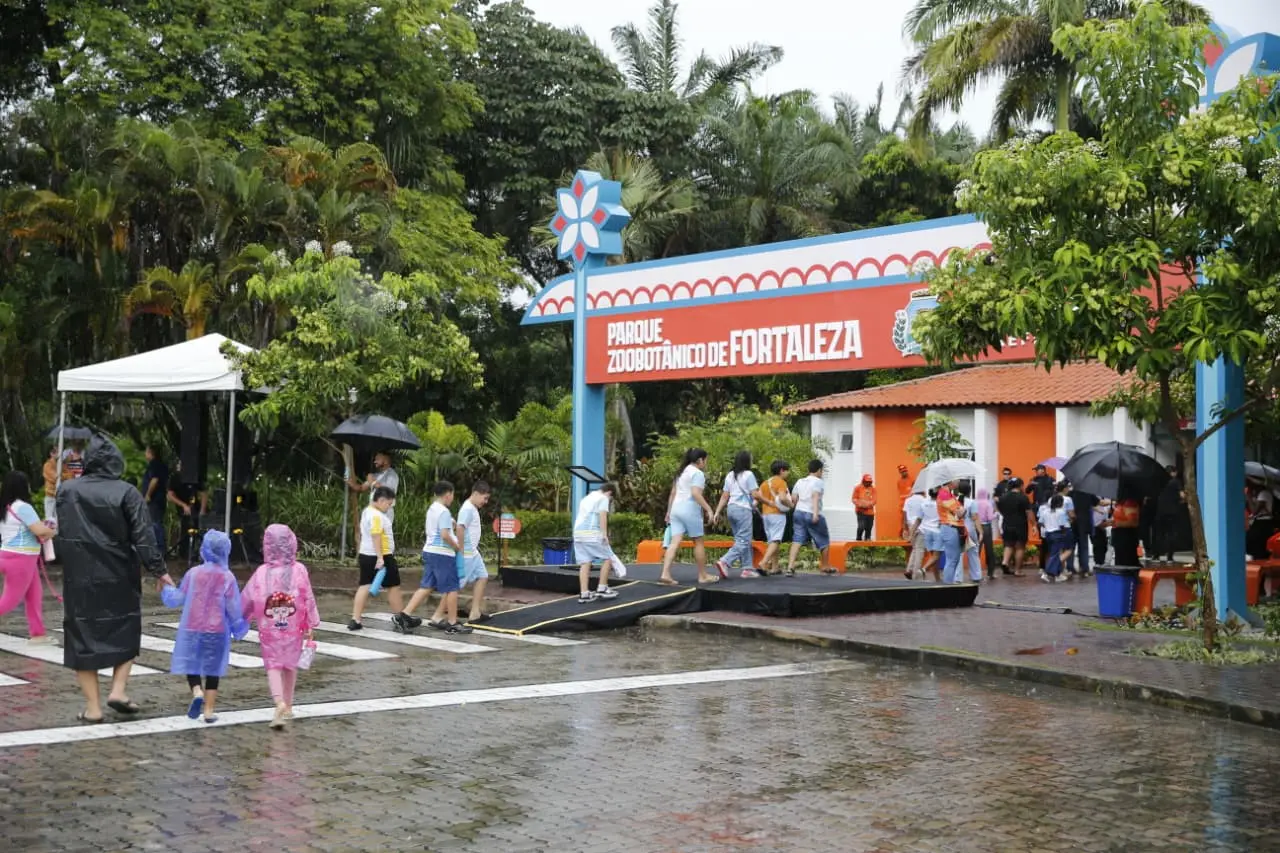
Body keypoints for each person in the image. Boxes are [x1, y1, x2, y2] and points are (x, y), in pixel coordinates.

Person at [57, 435, 172, 723]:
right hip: (119, 573)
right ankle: (118, 690)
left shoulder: (67, 491)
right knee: (127, 630)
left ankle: (93, 708)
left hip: (80, 577)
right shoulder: (127, 492)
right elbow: (144, 538)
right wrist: (160, 570)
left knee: (81, 637)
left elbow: (64, 534)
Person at [160, 530, 249, 724]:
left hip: (192, 627)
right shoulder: (228, 577)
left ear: (204, 549)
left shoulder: (194, 573)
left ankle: (196, 691)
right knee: (213, 669)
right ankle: (209, 711)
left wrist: (166, 590)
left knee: (192, 664)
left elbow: (179, 597)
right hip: (217, 629)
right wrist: (239, 626)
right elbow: (234, 607)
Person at [241, 524, 320, 730]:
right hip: (294, 627)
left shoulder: (261, 572)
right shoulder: (299, 570)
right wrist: (311, 621)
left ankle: (278, 702)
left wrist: (241, 616)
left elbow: (249, 597)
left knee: (273, 665)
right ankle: (289, 705)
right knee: (290, 665)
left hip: (269, 629)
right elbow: (308, 597)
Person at [403, 481, 472, 634]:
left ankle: (404, 614)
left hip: (430, 551)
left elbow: (442, 527)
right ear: (448, 494)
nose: (452, 498)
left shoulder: (433, 509)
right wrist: (457, 546)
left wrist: (451, 523)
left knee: (427, 586)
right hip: (442, 553)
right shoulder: (444, 512)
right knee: (452, 587)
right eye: (452, 495)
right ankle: (453, 623)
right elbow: (445, 535)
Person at [1, 471, 57, 642]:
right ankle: (37, 634)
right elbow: (39, 530)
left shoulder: (5, 507)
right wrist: (52, 530)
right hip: (21, 559)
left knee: (34, 595)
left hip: (9, 555)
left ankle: (38, 634)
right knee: (10, 600)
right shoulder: (23, 507)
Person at [350, 486, 412, 633]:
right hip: (382, 555)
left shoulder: (367, 511)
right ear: (381, 500)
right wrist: (380, 557)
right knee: (393, 587)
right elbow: (376, 535)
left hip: (365, 554)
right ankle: (400, 618)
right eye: (388, 504)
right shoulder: (377, 515)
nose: (389, 507)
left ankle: (355, 619)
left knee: (364, 585)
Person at [431, 481, 495, 621]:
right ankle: (438, 615)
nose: (486, 501)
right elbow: (460, 528)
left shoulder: (472, 508)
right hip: (467, 554)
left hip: (473, 552)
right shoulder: (467, 509)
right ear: (476, 494)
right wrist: (460, 549)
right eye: (484, 498)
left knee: (482, 576)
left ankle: (475, 612)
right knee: (453, 587)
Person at [659, 449, 718, 585]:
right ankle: (703, 575)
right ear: (700, 460)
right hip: (689, 509)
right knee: (698, 541)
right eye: (705, 460)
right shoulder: (698, 474)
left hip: (676, 509)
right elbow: (696, 493)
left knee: (674, 542)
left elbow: (673, 493)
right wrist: (708, 509)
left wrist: (668, 512)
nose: (706, 463)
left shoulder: (681, 472)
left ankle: (665, 573)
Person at [712, 451, 762, 578]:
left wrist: (717, 512)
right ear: (747, 461)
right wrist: (768, 501)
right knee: (744, 540)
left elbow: (725, 496)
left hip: (731, 509)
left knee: (742, 539)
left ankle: (747, 568)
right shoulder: (749, 474)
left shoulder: (730, 475)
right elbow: (755, 494)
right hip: (743, 510)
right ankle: (725, 561)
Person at [574, 481, 624, 603]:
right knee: (608, 558)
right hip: (592, 534)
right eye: (611, 498)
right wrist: (604, 534)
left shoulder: (586, 498)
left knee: (585, 562)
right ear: (610, 492)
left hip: (578, 534)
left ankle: (584, 594)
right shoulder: (603, 498)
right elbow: (602, 516)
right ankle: (602, 588)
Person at [787, 459, 831, 576]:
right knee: (824, 540)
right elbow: (815, 496)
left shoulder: (800, 481)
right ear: (819, 470)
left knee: (797, 539)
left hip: (798, 512)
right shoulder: (818, 482)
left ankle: (790, 567)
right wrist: (815, 513)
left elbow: (794, 498)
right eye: (822, 471)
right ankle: (825, 566)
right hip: (812, 512)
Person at [758, 460, 792, 575]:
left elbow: (758, 498)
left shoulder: (764, 483)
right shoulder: (780, 482)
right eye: (787, 471)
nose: (788, 473)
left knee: (772, 541)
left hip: (765, 514)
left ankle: (775, 567)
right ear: (782, 470)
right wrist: (790, 505)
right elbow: (782, 498)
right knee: (776, 540)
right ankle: (764, 562)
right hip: (777, 514)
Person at [996, 477, 1034, 576]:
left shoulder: (1003, 497)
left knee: (1008, 545)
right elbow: (1029, 512)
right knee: (1020, 547)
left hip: (1007, 523)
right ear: (1021, 486)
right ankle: (1017, 570)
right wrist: (1033, 525)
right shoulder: (1023, 497)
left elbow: (999, 508)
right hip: (1020, 525)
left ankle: (1005, 562)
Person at [347, 451, 400, 521]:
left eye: (377, 459)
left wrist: (373, 482)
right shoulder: (376, 475)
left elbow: (388, 492)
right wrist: (349, 481)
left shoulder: (392, 475)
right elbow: (361, 488)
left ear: (386, 460)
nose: (374, 461)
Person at [1038, 494, 1075, 583]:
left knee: (1053, 554)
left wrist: (1048, 525)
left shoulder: (1045, 511)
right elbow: (1062, 525)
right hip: (1058, 534)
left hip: (1048, 534)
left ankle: (1057, 574)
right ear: (1061, 503)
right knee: (1057, 555)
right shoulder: (1061, 512)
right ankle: (1046, 573)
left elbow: (1040, 522)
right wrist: (1064, 532)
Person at [141, 444, 170, 554]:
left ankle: (159, 550)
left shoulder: (154, 465)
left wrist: (148, 495)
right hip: (159, 499)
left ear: (151, 452)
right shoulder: (162, 465)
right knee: (155, 523)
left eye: (146, 451)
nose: (145, 454)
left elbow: (154, 480)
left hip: (154, 501)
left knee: (155, 524)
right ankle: (158, 549)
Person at [937, 481, 967, 584]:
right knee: (952, 560)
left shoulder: (950, 495)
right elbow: (959, 513)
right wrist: (962, 508)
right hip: (950, 527)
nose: (958, 481)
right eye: (956, 479)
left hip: (952, 528)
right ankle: (947, 585)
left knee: (954, 559)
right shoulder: (945, 495)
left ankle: (948, 584)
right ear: (950, 481)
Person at [1026, 464, 1055, 568]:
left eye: (1038, 470)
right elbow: (1027, 491)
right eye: (1036, 470)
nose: (1036, 472)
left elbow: (1054, 491)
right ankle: (1042, 560)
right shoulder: (1034, 479)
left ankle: (1049, 559)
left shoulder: (1050, 479)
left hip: (1048, 508)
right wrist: (1031, 484)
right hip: (1037, 508)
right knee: (1041, 533)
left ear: (1042, 470)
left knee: (1050, 532)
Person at [1154, 467, 1185, 563]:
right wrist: (1181, 501)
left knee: (1159, 534)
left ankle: (1156, 555)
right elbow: (1182, 495)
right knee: (1171, 534)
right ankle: (1170, 556)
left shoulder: (1159, 482)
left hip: (1160, 511)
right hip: (1173, 511)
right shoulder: (1176, 482)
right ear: (1173, 472)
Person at [957, 484, 984, 583]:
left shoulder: (953, 501)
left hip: (957, 529)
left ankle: (957, 577)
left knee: (958, 554)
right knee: (973, 552)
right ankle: (976, 576)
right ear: (970, 491)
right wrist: (980, 532)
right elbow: (975, 518)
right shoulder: (971, 502)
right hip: (969, 529)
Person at [903, 486, 929, 580]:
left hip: (911, 526)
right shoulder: (925, 501)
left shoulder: (908, 500)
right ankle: (915, 575)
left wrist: (905, 529)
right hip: (921, 527)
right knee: (920, 550)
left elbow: (904, 516)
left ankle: (909, 569)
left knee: (915, 549)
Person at [1111, 490, 1143, 566]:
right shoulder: (1120, 503)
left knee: (1126, 563)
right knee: (1120, 563)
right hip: (1118, 537)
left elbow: (1133, 522)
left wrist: (1117, 523)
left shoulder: (1130, 503)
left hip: (1126, 538)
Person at [1247, 480, 1276, 561]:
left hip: (1264, 522)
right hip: (1260, 522)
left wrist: (1249, 496)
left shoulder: (1264, 494)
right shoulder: (1258, 494)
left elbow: (1254, 510)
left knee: (1256, 543)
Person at [919, 487, 943, 581]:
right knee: (937, 556)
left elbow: (919, 518)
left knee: (933, 557)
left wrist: (912, 532)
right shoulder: (940, 504)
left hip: (927, 531)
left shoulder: (924, 504)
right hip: (937, 531)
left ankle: (937, 579)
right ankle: (923, 569)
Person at [42, 446, 71, 522]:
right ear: (51, 453)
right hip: (51, 495)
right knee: (49, 519)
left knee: (60, 519)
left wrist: (60, 475)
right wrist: (62, 476)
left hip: (61, 495)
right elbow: (54, 477)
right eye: (56, 451)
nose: (59, 453)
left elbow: (71, 476)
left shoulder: (62, 465)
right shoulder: (47, 465)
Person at [975, 488, 997, 580]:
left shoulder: (974, 503)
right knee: (989, 550)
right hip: (986, 527)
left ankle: (976, 573)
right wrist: (996, 514)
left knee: (976, 550)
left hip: (976, 526)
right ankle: (990, 573)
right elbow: (990, 517)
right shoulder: (988, 503)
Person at [852, 474, 876, 541]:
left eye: (870, 481)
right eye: (867, 481)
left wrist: (867, 504)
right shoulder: (857, 488)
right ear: (863, 481)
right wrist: (860, 504)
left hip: (870, 513)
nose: (868, 483)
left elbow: (874, 500)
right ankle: (858, 540)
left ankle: (867, 544)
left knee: (868, 529)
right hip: (860, 512)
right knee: (861, 527)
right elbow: (854, 499)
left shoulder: (873, 489)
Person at [1091, 499, 1113, 566]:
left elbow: (1107, 508)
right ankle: (1098, 563)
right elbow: (1102, 503)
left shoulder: (1107, 497)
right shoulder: (1094, 497)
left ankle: (1101, 563)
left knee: (1104, 545)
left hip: (1104, 524)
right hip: (1095, 525)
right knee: (1097, 546)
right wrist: (1111, 502)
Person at [896, 464, 913, 538]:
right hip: (902, 505)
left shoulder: (912, 480)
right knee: (903, 523)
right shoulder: (899, 481)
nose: (904, 473)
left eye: (905, 471)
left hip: (911, 506)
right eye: (902, 472)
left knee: (911, 522)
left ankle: (911, 537)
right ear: (900, 472)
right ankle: (902, 538)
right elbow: (901, 493)